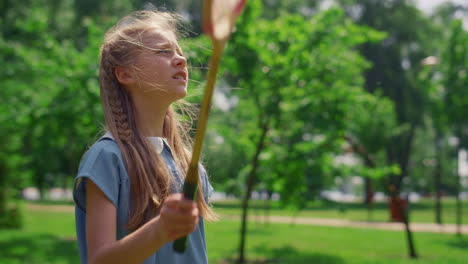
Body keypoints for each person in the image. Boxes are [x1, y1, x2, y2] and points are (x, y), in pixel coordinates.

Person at [73, 10, 217, 264]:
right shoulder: (107, 159)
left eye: (179, 51)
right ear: (125, 74)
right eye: (163, 51)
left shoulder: (189, 166)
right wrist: (160, 230)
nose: (181, 59)